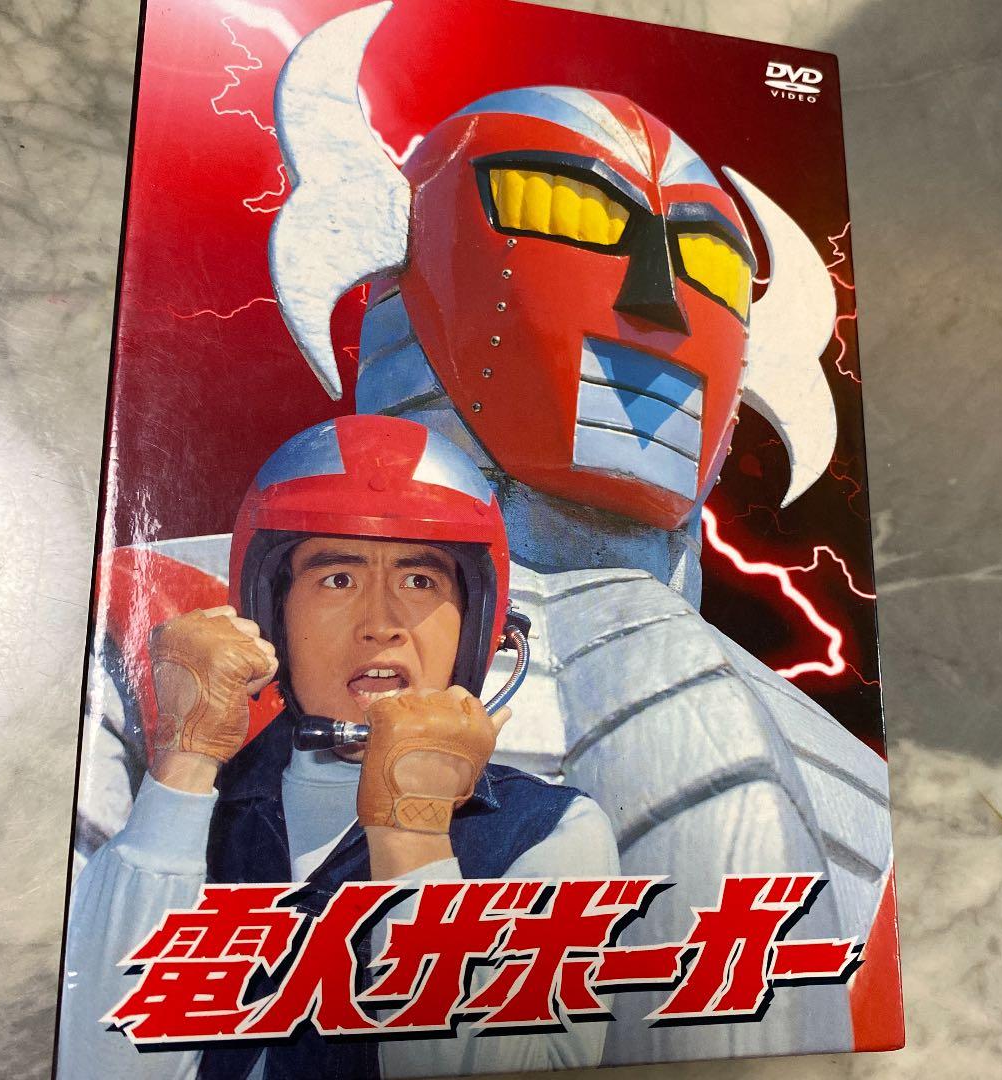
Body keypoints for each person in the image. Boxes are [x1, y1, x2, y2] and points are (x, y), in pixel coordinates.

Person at [58, 414, 619, 1079]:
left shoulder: (549, 833)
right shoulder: (189, 808)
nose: (379, 625)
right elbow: (97, 1063)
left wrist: (413, 839)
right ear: (270, 615)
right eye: (338, 580)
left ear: (478, 624)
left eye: (419, 581)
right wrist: (184, 763)